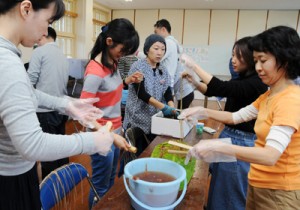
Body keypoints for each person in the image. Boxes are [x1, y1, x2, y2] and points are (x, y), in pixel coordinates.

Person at [0, 1, 129, 210]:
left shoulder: (8, 55)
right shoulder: (6, 62)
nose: (45, 31)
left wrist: (67, 105)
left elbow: (28, 92)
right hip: (9, 180)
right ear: (26, 9)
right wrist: (92, 141)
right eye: (48, 21)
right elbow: (32, 145)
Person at [180, 25, 300, 210]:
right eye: (256, 60)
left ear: (284, 60)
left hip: (278, 192)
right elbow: (235, 117)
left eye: (263, 60)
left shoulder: (289, 99)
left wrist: (219, 146)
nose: (258, 67)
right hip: (259, 182)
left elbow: (270, 156)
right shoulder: (269, 96)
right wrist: (203, 112)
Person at [181, 37, 268, 210]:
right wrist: (196, 83)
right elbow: (219, 91)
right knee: (220, 188)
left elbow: (221, 89)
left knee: (229, 196)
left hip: (241, 141)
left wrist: (194, 66)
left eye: (238, 56)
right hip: (231, 136)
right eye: (232, 55)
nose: (233, 60)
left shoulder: (256, 83)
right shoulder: (243, 79)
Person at [79, 18, 143, 208]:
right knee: (100, 185)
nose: (123, 56)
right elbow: (83, 113)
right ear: (109, 42)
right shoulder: (94, 72)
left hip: (115, 132)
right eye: (122, 51)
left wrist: (127, 80)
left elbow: (109, 90)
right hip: (101, 135)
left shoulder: (112, 64)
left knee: (110, 181)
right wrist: (109, 135)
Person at [123, 34, 179, 155]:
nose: (160, 53)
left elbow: (167, 91)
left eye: (163, 49)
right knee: (136, 153)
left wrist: (172, 108)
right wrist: (164, 107)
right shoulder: (138, 67)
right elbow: (141, 94)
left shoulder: (163, 70)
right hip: (137, 119)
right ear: (147, 49)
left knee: (151, 152)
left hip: (155, 119)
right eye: (156, 48)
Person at [27, 26, 70, 179]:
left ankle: (50, 191)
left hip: (44, 111)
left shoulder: (39, 52)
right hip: (61, 110)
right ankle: (66, 183)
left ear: (43, 35)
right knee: (61, 150)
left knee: (47, 153)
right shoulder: (62, 54)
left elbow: (29, 82)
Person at [154, 19, 194, 109]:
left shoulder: (167, 43)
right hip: (175, 87)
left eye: (156, 32)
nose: (155, 35)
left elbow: (155, 58)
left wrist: (138, 54)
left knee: (177, 116)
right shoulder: (174, 43)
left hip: (171, 86)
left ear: (163, 29)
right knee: (176, 115)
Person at [117, 53, 139, 120]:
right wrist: (127, 79)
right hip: (125, 84)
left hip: (135, 84)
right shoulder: (123, 59)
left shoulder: (137, 59)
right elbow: (120, 72)